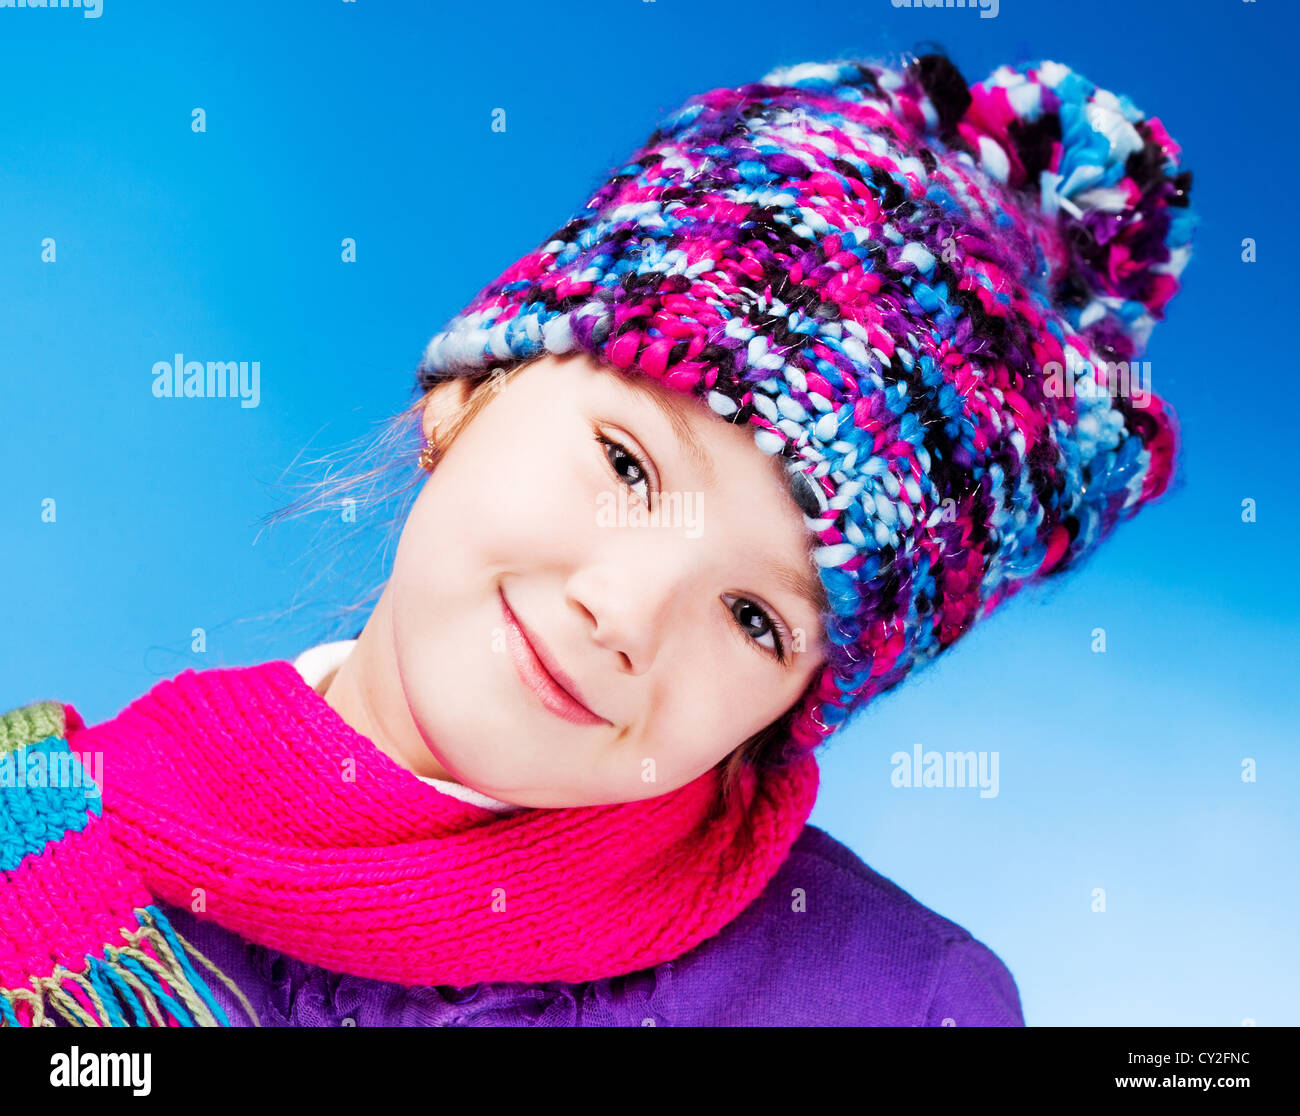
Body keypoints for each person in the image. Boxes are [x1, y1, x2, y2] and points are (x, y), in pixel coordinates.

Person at [0, 50, 1194, 1027]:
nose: (625, 615)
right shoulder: (49, 859)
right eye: (627, 465)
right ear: (473, 392)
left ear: (791, 709)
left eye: (755, 617)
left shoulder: (889, 1000)